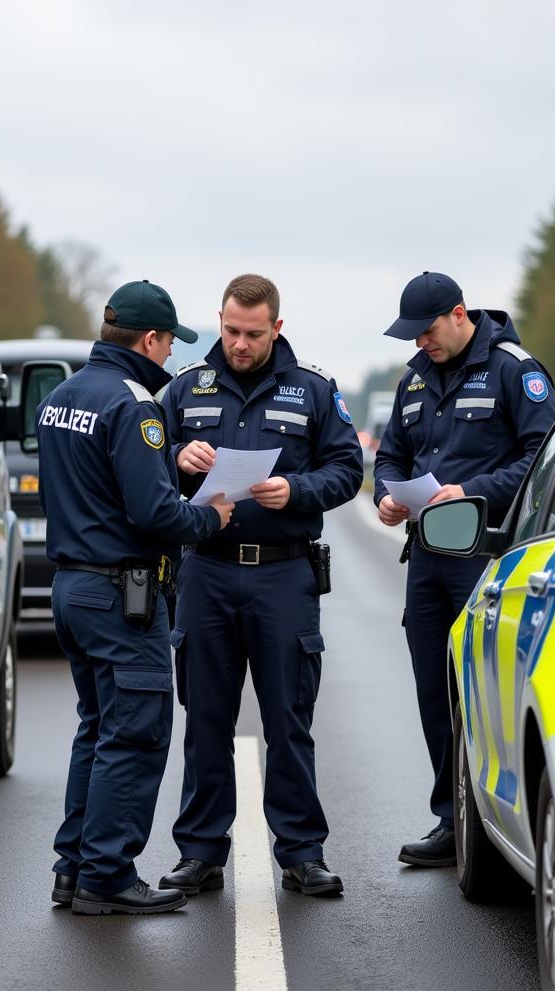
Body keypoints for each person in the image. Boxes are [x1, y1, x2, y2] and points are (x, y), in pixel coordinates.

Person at [158, 273, 363, 898]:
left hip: (282, 572)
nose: (239, 344)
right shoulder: (185, 388)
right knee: (206, 720)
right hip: (207, 570)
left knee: (289, 720)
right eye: (229, 331)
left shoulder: (313, 392)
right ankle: (200, 853)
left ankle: (302, 853)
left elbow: (348, 468)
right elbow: (142, 456)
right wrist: (175, 456)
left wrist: (296, 491)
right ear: (219, 322)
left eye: (252, 333)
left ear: (277, 327)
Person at [38, 279, 234, 915]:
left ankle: (73, 869)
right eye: (170, 345)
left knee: (96, 732)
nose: (171, 358)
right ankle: (108, 875)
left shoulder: (62, 396)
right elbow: (154, 512)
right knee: (136, 735)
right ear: (149, 339)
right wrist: (212, 519)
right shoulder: (134, 406)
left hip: (70, 586)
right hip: (122, 595)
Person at [374, 271, 555, 867]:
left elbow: (544, 459)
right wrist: (386, 495)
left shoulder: (513, 370)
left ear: (459, 315)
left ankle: (491, 818)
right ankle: (450, 819)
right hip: (427, 556)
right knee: (435, 690)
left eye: (427, 331)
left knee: (481, 695)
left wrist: (470, 491)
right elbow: (392, 454)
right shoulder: (413, 379)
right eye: (412, 336)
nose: (420, 343)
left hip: (486, 557)